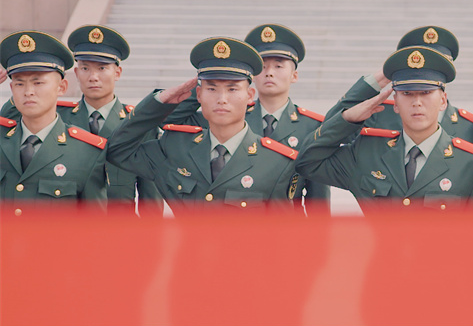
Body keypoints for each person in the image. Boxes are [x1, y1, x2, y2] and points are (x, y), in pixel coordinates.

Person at [106, 36, 302, 215]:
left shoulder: (276, 162)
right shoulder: (175, 147)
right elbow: (118, 150)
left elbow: (281, 234)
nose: (222, 99)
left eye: (232, 89)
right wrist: (159, 102)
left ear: (249, 96)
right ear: (198, 95)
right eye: (212, 89)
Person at [295, 46, 473, 213]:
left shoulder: (470, 163)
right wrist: (347, 118)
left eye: (426, 92)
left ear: (443, 101)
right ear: (395, 103)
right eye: (407, 93)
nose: (417, 102)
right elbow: (307, 163)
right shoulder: (368, 152)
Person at [163, 24, 329, 216]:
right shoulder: (227, 116)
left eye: (278, 66)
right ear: (251, 74)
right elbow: (169, 119)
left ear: (294, 75)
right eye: (263, 66)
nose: (269, 72)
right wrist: (212, 79)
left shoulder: (313, 126)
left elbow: (318, 200)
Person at [2, 25, 164, 217]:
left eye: (102, 68)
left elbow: (150, 199)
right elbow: (14, 116)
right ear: (77, 73)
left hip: (121, 229)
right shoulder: (57, 114)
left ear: (117, 73)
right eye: (85, 68)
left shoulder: (137, 125)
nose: (93, 77)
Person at [323, 26, 473, 149]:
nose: (422, 70)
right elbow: (328, 129)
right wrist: (379, 79)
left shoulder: (469, 127)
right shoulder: (379, 114)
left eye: (433, 62)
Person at [0, 31, 108, 216]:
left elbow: (94, 226)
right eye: (19, 84)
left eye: (38, 83)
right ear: (11, 88)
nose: (28, 91)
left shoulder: (87, 153)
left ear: (62, 87)